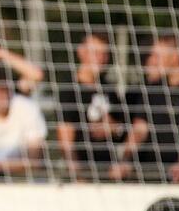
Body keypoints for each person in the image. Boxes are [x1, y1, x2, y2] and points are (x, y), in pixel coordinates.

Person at [120, 34, 179, 183]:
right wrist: (125, 159)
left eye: (158, 56)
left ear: (176, 56)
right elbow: (140, 129)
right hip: (151, 172)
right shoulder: (153, 88)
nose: (152, 60)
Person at [56, 33, 130, 181]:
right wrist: (78, 175)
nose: (101, 59)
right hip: (83, 174)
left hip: (108, 171)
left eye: (104, 54)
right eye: (95, 53)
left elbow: (122, 128)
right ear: (81, 53)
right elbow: (65, 137)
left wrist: (113, 128)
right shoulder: (69, 90)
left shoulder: (109, 89)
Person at [0, 65, 47, 178]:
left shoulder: (27, 107)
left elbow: (35, 158)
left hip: (24, 177)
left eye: (3, 90)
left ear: (11, 90)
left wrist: (1, 166)